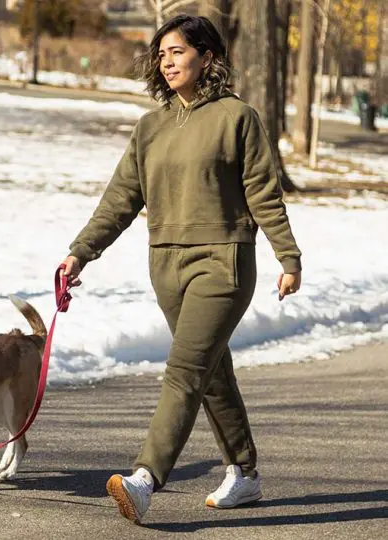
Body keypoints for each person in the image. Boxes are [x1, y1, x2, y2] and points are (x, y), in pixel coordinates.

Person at [59, 14, 302, 525]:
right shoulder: (151, 127)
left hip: (223, 261)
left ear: (206, 57)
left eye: (177, 52)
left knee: (185, 370)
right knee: (210, 371)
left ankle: (145, 479)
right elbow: (121, 198)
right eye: (161, 53)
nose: (165, 61)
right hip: (166, 263)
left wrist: (287, 257)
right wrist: (81, 252)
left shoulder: (238, 117)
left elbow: (263, 190)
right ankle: (246, 474)